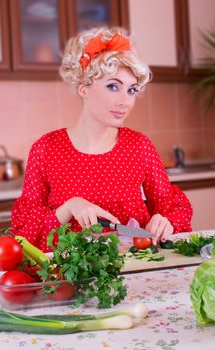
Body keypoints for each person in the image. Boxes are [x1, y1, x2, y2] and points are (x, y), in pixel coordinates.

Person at [11, 27, 192, 252]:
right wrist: (68, 208)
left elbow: (170, 205)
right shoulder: (46, 149)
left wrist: (167, 222)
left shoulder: (139, 146)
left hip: (134, 271)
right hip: (69, 278)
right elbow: (25, 233)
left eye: (132, 90)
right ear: (83, 88)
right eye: (113, 86)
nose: (125, 101)